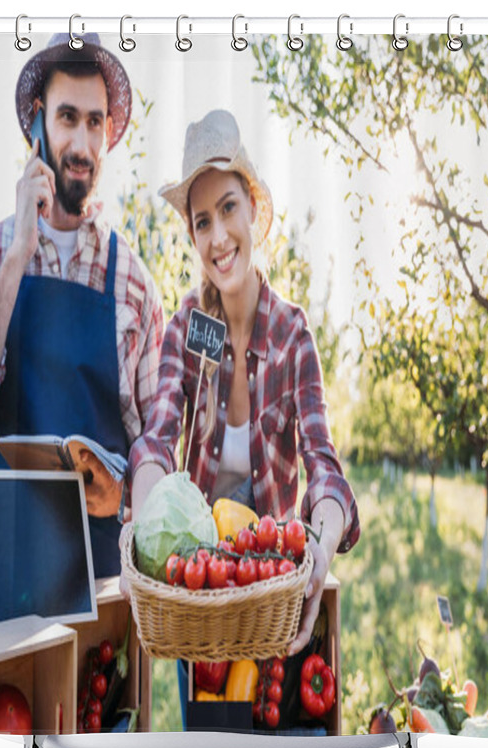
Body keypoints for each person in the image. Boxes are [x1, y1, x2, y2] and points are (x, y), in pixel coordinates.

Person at [126, 109, 360, 665]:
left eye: (228, 207)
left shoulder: (290, 333)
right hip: (199, 597)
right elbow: (157, 440)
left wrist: (322, 546)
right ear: (192, 235)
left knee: (266, 746)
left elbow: (322, 465)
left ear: (253, 207)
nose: (219, 235)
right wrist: (140, 526)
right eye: (202, 221)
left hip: (268, 592)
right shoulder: (187, 328)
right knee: (207, 745)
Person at [0, 33, 163, 578]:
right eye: (67, 117)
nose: (82, 143)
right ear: (37, 123)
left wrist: (125, 489)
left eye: (96, 122)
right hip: (6, 569)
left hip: (104, 577)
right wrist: (18, 256)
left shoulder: (131, 279)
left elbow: (159, 443)